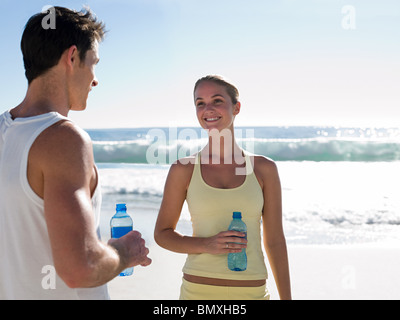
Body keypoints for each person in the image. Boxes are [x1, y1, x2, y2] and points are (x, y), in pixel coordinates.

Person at [0, 6, 151, 300]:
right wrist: (124, 251)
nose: (95, 80)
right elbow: (81, 268)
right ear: (71, 58)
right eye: (93, 63)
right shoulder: (64, 139)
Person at [154, 75, 291, 300]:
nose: (208, 109)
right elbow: (162, 234)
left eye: (217, 100)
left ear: (236, 107)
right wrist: (206, 244)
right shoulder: (184, 169)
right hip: (197, 292)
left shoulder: (264, 169)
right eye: (200, 103)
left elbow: (275, 240)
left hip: (252, 292)